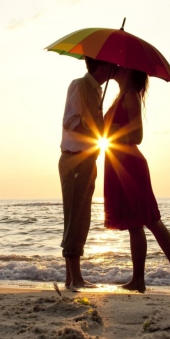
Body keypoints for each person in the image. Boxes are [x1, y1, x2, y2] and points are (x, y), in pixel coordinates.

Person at [104, 66, 170, 293]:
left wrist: (113, 130)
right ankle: (138, 279)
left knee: (150, 219)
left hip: (130, 164)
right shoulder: (120, 96)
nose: (113, 68)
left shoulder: (130, 95)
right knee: (134, 224)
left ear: (127, 71)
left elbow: (137, 136)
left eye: (118, 66)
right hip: (119, 163)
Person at [59, 56, 114, 289]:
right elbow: (70, 121)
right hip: (74, 159)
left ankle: (72, 278)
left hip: (87, 159)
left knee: (82, 217)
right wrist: (95, 132)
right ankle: (75, 278)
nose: (115, 68)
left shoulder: (96, 91)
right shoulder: (79, 85)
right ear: (101, 65)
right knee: (75, 216)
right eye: (111, 64)